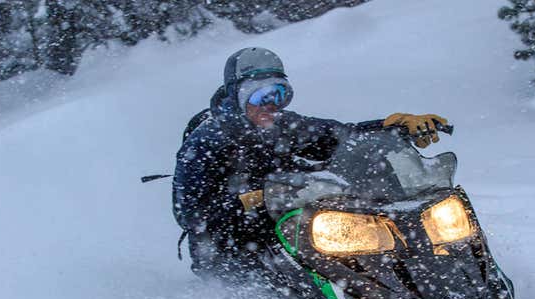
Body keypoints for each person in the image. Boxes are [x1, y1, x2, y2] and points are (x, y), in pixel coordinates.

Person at [173, 47, 447, 278]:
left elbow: (340, 137)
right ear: (237, 96)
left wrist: (391, 128)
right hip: (232, 247)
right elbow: (188, 214)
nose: (271, 105)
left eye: (280, 94)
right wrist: (252, 198)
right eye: (260, 95)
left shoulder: (282, 125)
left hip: (285, 231)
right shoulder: (206, 142)